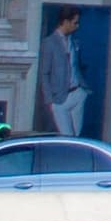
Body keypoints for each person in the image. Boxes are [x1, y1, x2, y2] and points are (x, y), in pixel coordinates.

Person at [35, 9, 87, 137]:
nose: (77, 26)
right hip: (59, 98)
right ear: (65, 22)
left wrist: (84, 89)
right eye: (75, 23)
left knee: (77, 136)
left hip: (77, 92)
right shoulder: (49, 43)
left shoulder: (74, 41)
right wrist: (49, 99)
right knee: (67, 136)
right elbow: (44, 73)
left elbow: (78, 65)